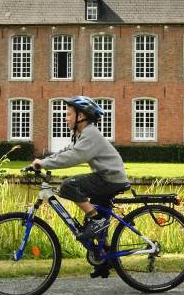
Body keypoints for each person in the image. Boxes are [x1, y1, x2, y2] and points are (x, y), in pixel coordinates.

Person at [32, 96, 130, 244]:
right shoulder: (84, 133)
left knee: (68, 185)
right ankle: (103, 260)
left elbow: (74, 156)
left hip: (109, 178)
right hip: (108, 177)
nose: (66, 118)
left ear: (81, 116)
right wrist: (44, 160)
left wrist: (44, 164)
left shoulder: (90, 134)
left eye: (69, 114)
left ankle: (97, 220)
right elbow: (68, 150)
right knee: (94, 230)